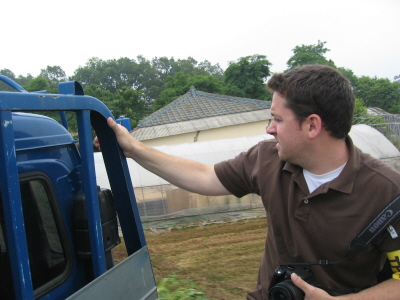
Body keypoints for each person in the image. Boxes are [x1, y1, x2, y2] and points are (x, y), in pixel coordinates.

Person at [94, 64, 400, 299]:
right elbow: (205, 176)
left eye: (278, 119)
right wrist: (134, 149)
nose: (269, 129)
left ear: (312, 126)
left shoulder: (386, 191)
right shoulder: (268, 159)